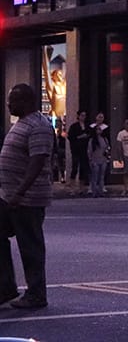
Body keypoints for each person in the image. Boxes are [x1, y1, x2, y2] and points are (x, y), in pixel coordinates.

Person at [0, 84, 54, 309]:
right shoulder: (21, 123)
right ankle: (5, 287)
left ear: (26, 102)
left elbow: (37, 161)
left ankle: (36, 294)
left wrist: (20, 192)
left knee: (30, 246)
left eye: (13, 100)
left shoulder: (39, 125)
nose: (9, 104)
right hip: (10, 196)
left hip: (27, 199)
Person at [87, 113, 110, 198]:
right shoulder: (92, 140)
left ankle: (101, 190)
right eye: (97, 130)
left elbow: (107, 148)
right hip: (95, 159)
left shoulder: (105, 139)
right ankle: (94, 191)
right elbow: (89, 150)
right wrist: (90, 159)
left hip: (103, 159)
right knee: (95, 176)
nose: (99, 131)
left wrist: (107, 157)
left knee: (101, 176)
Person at [66, 110, 88, 194]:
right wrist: (79, 137)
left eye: (84, 115)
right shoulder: (74, 126)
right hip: (76, 149)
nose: (83, 117)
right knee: (74, 167)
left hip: (84, 149)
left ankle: (81, 188)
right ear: (78, 116)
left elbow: (90, 134)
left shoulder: (86, 126)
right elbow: (70, 137)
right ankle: (72, 188)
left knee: (83, 168)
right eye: (82, 115)